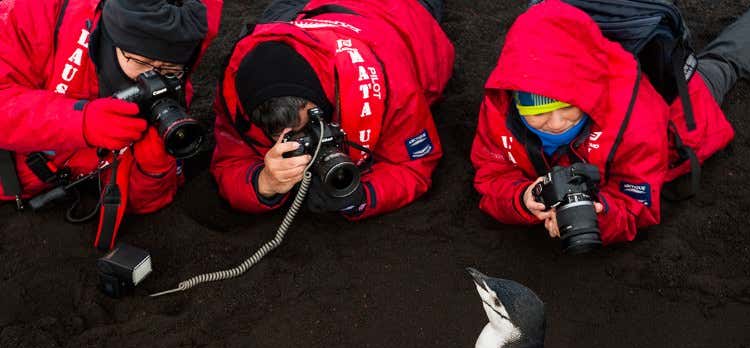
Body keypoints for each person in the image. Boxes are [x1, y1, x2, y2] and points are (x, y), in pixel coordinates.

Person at [471, 0, 750, 245]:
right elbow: (492, 175)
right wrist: (521, 198)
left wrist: (602, 215)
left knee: (724, 63)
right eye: (537, 111)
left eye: (570, 109)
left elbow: (639, 204)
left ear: (588, 95)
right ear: (513, 98)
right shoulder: (499, 105)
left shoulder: (633, 113)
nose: (555, 123)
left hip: (673, 111)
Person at [0, 0, 222, 247]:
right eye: (140, 63)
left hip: (56, 204)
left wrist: (154, 164)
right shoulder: (38, 10)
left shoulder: (173, 88)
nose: (152, 80)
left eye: (169, 70)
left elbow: (144, 203)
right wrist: (79, 121)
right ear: (108, 40)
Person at [212, 0, 454, 219]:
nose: (303, 140)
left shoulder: (391, 82)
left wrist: (362, 197)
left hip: (400, 11)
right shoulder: (237, 97)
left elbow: (415, 166)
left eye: (308, 126)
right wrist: (263, 183)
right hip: (312, 10)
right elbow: (229, 161)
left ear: (325, 100)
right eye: (285, 135)